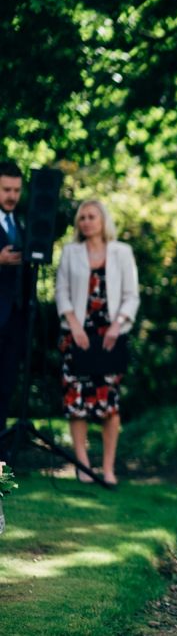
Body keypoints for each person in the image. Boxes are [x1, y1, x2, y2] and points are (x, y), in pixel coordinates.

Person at [55, 199, 139, 485]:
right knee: (76, 402)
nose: (86, 222)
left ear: (103, 221)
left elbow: (131, 295)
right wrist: (75, 327)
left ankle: (108, 468)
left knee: (109, 405)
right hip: (76, 335)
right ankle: (83, 465)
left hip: (110, 337)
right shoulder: (70, 253)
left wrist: (117, 326)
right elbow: (62, 292)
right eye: (82, 218)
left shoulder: (122, 253)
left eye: (91, 217)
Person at [0, 161, 26, 445]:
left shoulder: (22, 222)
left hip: (15, 317)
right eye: (6, 189)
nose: (12, 196)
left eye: (17, 190)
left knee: (6, 385)